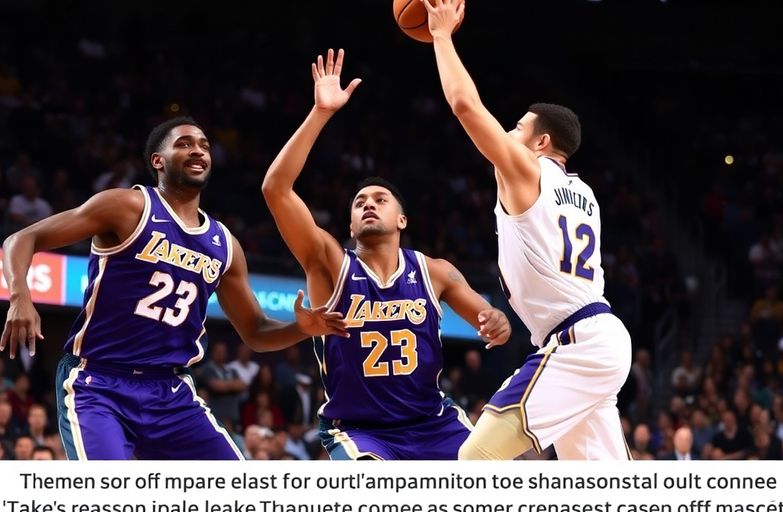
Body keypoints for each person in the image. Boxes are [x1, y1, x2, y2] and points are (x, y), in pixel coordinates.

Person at [0, 117, 347, 460]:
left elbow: (255, 331)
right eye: (184, 144)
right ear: (158, 161)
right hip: (98, 383)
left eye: (204, 146)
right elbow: (22, 238)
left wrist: (300, 328)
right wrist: (20, 296)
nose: (198, 151)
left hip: (171, 392)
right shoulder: (127, 207)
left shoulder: (224, 244)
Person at [261, 49, 511, 460]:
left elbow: (488, 320)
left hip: (434, 423)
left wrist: (497, 322)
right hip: (361, 431)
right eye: (359, 202)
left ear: (402, 220)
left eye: (380, 199)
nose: (368, 204)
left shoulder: (436, 272)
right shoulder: (328, 261)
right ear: (351, 225)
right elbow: (275, 190)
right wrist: (320, 113)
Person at [423, 0, 632, 460]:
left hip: (576, 341)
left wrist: (441, 36)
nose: (509, 135)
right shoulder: (586, 194)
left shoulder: (528, 169)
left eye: (517, 128)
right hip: (599, 339)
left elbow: (464, 105)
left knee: (476, 458)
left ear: (541, 142)